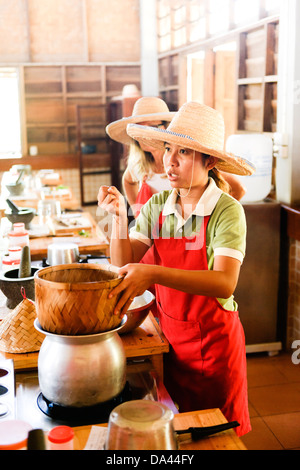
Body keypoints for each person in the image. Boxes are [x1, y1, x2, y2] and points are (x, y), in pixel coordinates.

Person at [98, 102, 255, 436]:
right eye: (168, 148)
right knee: (177, 434)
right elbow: (123, 263)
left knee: (217, 437)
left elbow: (225, 283)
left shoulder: (227, 211)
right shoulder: (157, 205)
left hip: (215, 349)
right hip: (170, 343)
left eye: (184, 151)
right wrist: (116, 218)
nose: (170, 160)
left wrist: (153, 274)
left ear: (210, 161)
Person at [106, 97, 246, 220]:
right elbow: (128, 181)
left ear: (166, 128)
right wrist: (137, 213)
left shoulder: (190, 166)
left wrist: (213, 219)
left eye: (152, 127)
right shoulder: (139, 165)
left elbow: (238, 188)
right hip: (153, 237)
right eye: (140, 128)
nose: (145, 135)